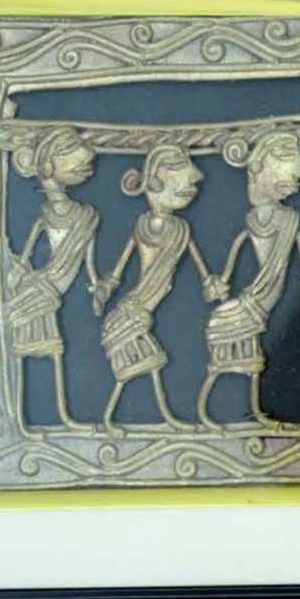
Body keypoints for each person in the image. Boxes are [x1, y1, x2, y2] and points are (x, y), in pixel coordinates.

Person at [197, 129, 300, 429]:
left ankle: (237, 409)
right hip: (252, 296)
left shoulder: (289, 221)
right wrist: (218, 282)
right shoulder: (252, 222)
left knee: (230, 334)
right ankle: (217, 409)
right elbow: (234, 257)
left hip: (261, 300)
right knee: (223, 330)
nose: (294, 186)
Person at [93, 141, 220, 429]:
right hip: (133, 308)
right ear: (154, 182)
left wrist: (210, 282)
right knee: (138, 366)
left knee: (144, 365)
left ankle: (144, 417)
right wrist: (106, 287)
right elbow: (120, 267)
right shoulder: (142, 226)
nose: (192, 187)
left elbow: (201, 266)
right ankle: (123, 418)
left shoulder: (181, 229)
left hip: (142, 309)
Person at [3, 125, 102, 429]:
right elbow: (27, 256)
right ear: (47, 166)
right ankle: (18, 416)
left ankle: (62, 416)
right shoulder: (45, 216)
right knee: (26, 347)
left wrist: (96, 285)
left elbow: (88, 262)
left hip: (51, 289)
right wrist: (16, 272)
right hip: (40, 286)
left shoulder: (87, 216)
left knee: (53, 349)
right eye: (67, 152)